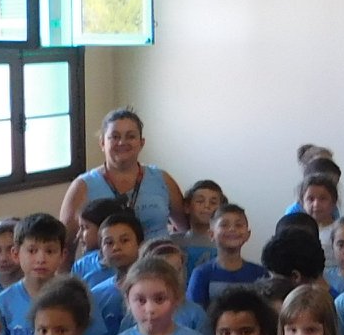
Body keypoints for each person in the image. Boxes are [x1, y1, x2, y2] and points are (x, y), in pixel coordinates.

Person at [0, 214, 106, 335]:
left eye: (50, 251)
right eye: (32, 251)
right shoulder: (4, 301)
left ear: (62, 255)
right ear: (16, 254)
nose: (41, 259)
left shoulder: (78, 294)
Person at [59, 107, 185, 243]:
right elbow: (65, 246)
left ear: (141, 143)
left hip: (158, 256)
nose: (122, 142)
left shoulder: (163, 180)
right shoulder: (82, 187)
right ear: (102, 143)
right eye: (115, 137)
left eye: (131, 136)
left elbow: (186, 230)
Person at [187, 205, 268, 306]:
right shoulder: (201, 274)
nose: (232, 229)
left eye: (238, 225)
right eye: (224, 225)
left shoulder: (260, 273)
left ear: (248, 234)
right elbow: (195, 312)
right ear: (211, 234)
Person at [173, 179, 224, 273]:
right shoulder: (173, 242)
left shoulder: (224, 243)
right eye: (200, 201)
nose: (207, 206)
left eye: (213, 203)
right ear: (187, 207)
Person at [87, 211, 144, 287]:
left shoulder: (156, 285)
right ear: (101, 251)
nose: (116, 247)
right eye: (109, 242)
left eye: (124, 240)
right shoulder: (97, 292)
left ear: (140, 244)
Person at [299, 173, 341, 266]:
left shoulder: (340, 231)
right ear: (302, 202)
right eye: (310, 199)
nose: (316, 204)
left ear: (334, 202)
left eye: (323, 199)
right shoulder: (298, 231)